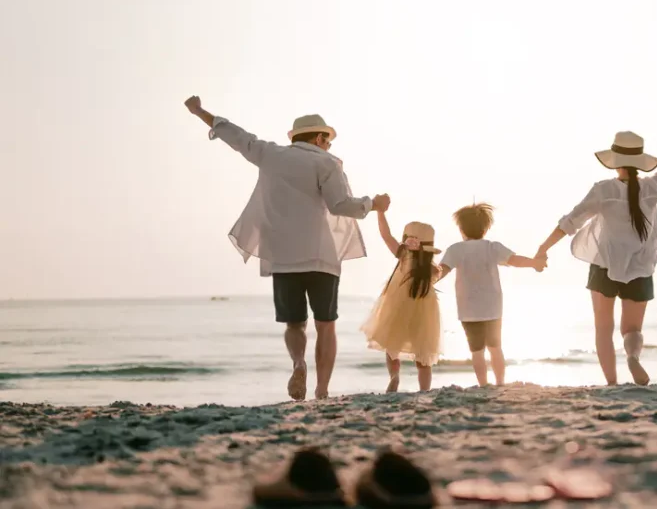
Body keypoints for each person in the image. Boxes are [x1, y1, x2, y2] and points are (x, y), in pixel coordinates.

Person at [183, 96, 389, 401]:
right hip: (321, 256)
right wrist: (373, 204)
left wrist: (200, 112)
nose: (329, 147)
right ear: (319, 138)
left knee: (295, 323)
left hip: (283, 257)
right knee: (326, 324)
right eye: (328, 141)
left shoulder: (270, 154)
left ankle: (297, 362)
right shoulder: (327, 163)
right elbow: (340, 205)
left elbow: (236, 136)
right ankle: (321, 390)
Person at [535, 121, 657, 386]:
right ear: (639, 161)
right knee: (633, 329)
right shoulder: (653, 187)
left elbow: (571, 222)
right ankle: (632, 356)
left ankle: (612, 383)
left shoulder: (604, 190)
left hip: (604, 265)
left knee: (603, 330)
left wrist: (543, 248)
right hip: (640, 266)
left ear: (614, 161)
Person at [437, 203, 546, 387]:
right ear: (486, 228)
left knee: (476, 351)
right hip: (493, 308)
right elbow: (515, 260)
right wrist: (534, 263)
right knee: (495, 348)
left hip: (468, 309)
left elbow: (441, 271)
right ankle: (500, 382)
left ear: (461, 229)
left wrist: (425, 281)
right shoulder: (492, 247)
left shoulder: (455, 250)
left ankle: (483, 384)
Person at [360, 206, 442, 392]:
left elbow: (386, 235)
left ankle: (395, 376)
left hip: (397, 305)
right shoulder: (432, 268)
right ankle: (424, 390)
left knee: (391, 344)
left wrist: (380, 213)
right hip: (424, 310)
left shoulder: (403, 255)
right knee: (424, 353)